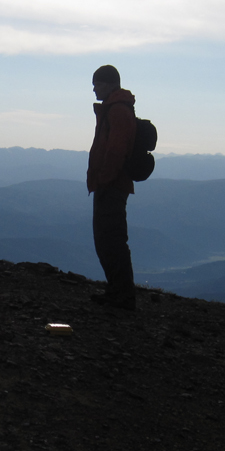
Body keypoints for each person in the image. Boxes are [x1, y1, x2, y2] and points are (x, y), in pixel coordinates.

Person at [86, 64, 137, 310]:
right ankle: (117, 291)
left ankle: (123, 296)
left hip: (111, 185)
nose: (94, 88)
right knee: (108, 240)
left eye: (97, 83)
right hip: (109, 184)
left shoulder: (117, 111)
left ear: (109, 84)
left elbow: (116, 150)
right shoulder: (114, 109)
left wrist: (104, 179)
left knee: (111, 240)